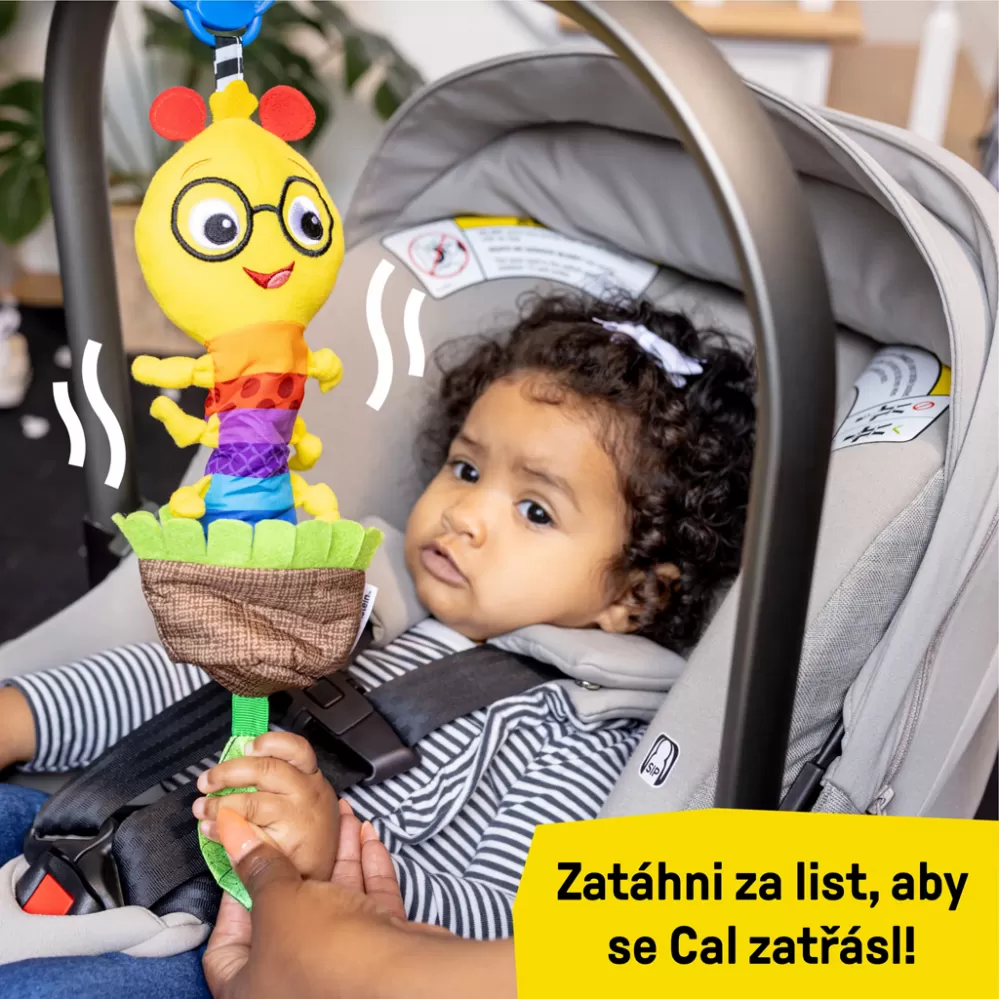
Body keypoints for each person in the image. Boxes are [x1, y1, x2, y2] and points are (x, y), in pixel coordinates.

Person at [0, 292, 755, 995]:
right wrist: (26, 715)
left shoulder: (579, 742)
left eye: (534, 509)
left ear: (634, 597)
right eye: (465, 468)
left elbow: (501, 925)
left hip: (225, 949)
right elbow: (184, 683)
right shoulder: (363, 600)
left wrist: (325, 858)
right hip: (87, 825)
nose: (464, 513)